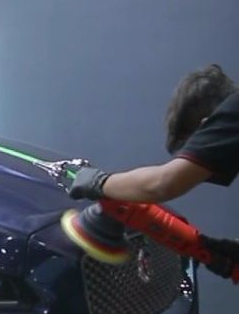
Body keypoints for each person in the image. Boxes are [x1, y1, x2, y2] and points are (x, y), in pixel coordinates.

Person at [68, 64, 239, 278]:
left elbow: (163, 184)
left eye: (197, 148)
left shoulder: (234, 110)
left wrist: (99, 183)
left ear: (209, 126)